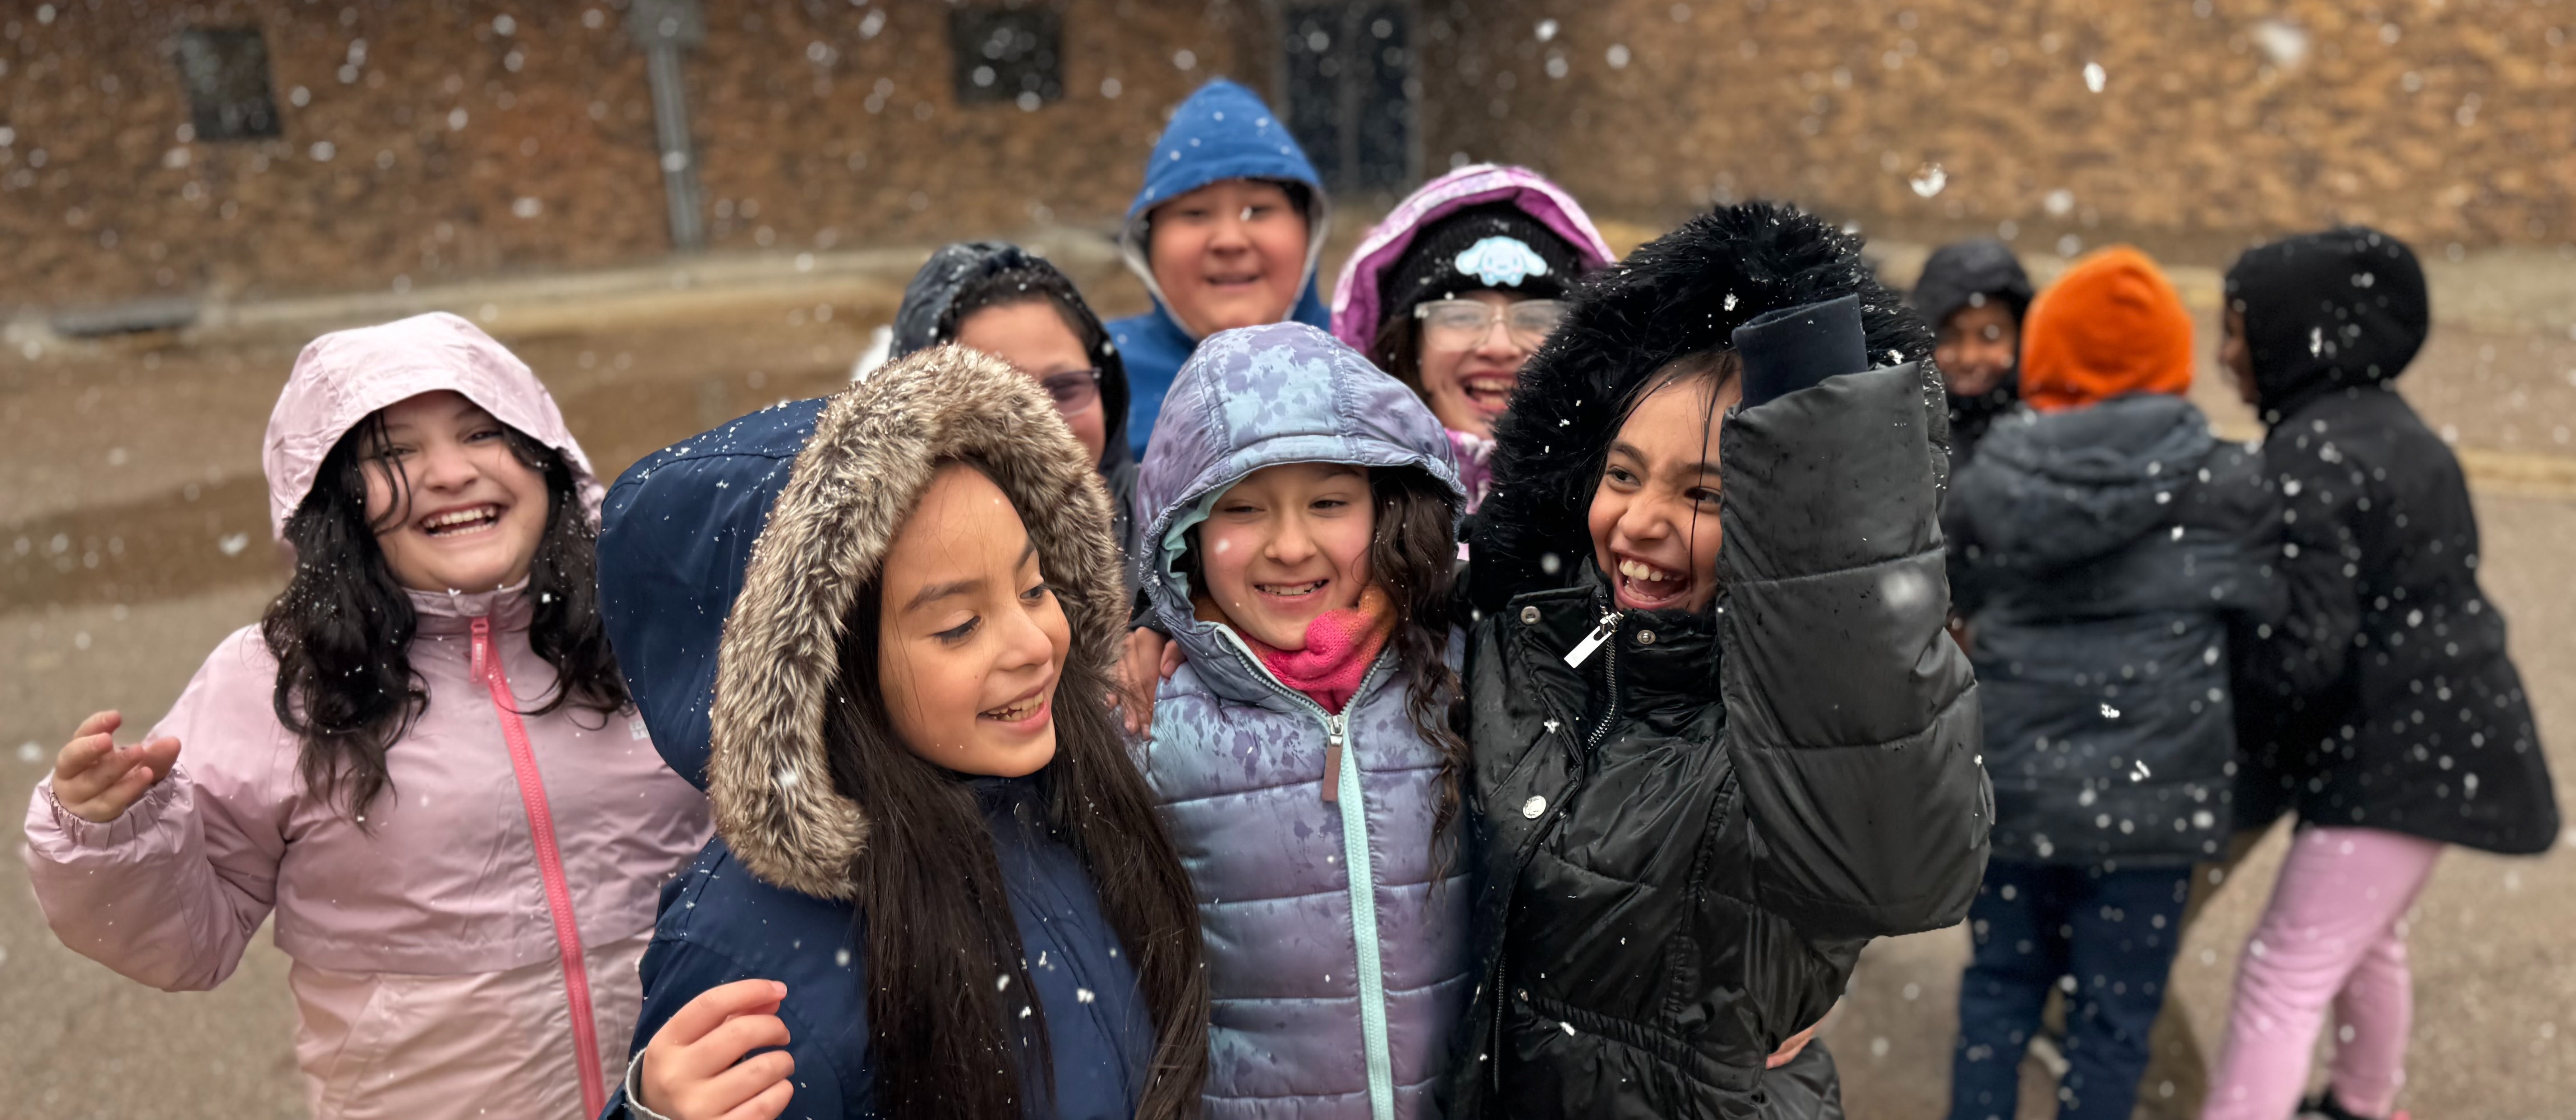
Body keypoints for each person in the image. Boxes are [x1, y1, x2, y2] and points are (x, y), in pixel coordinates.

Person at [21, 312, 709, 1120]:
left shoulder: (650, 629)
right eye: (392, 454)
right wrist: (114, 834)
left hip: (683, 1102)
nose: (450, 472)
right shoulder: (279, 681)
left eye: (482, 433)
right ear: (336, 505)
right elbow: (184, 942)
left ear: (548, 461)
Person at [1451, 203, 1992, 1117]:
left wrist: (1818, 416)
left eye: (1705, 492)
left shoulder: (1806, 721)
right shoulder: (1535, 639)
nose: (1641, 521)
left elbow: (1911, 870)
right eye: (1622, 474)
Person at [594, 346, 1210, 1120]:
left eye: (1034, 585)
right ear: (822, 675)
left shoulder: (1060, 804)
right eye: (959, 625)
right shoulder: (757, 956)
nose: (1031, 643)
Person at [2203, 227, 2560, 1120]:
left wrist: (2232, 726)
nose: (2226, 354)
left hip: (2391, 755)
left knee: (2281, 969)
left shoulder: (2307, 458)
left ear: (2298, 334)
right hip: (2441, 731)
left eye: (2240, 329)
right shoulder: (2401, 432)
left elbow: (2304, 647)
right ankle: (2365, 1102)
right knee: (2367, 939)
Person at [1940, 248, 2282, 1120]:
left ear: (2044, 357)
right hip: (2152, 805)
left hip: (2013, 792)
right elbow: (2262, 622)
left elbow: (1953, 607)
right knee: (2113, 1020)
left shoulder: (1992, 481)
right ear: (2169, 359)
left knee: (1999, 994)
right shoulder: (2226, 480)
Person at [1129, 322, 1472, 1118]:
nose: (1290, 545)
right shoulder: (1143, 720)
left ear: (1386, 510)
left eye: (1328, 501)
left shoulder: (1466, 677)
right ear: (1188, 535)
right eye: (1242, 508)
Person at [1329, 164, 1617, 511]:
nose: (1499, 347)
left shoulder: (1623, 519)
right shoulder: (1339, 513)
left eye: (1538, 318)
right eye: (1461, 317)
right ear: (1407, 344)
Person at [884, 241, 1145, 581]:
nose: (1046, 421)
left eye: (1066, 388)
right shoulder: (869, 587)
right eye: (1005, 398)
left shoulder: (1182, 536)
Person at [1110, 78, 1332, 458]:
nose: (1230, 240)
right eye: (1195, 213)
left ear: (1308, 231)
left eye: (1258, 210)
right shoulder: (1096, 378)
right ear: (1148, 244)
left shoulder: (1382, 356)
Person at [1908, 238, 2034, 468]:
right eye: (1949, 337)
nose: (1969, 358)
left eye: (1990, 336)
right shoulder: (1901, 429)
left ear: (2022, 336)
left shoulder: (2046, 428)